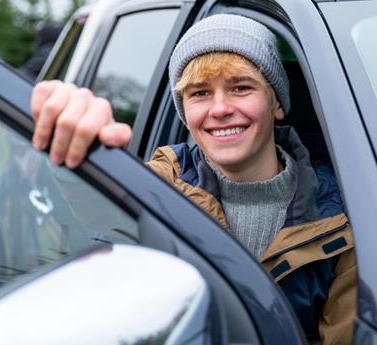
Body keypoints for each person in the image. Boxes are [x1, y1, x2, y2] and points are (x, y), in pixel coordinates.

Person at [31, 14, 356, 345]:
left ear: (276, 103)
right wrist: (73, 141)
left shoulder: (344, 214)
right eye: (200, 93)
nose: (220, 108)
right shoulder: (160, 185)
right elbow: (93, 210)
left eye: (241, 88)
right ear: (185, 115)